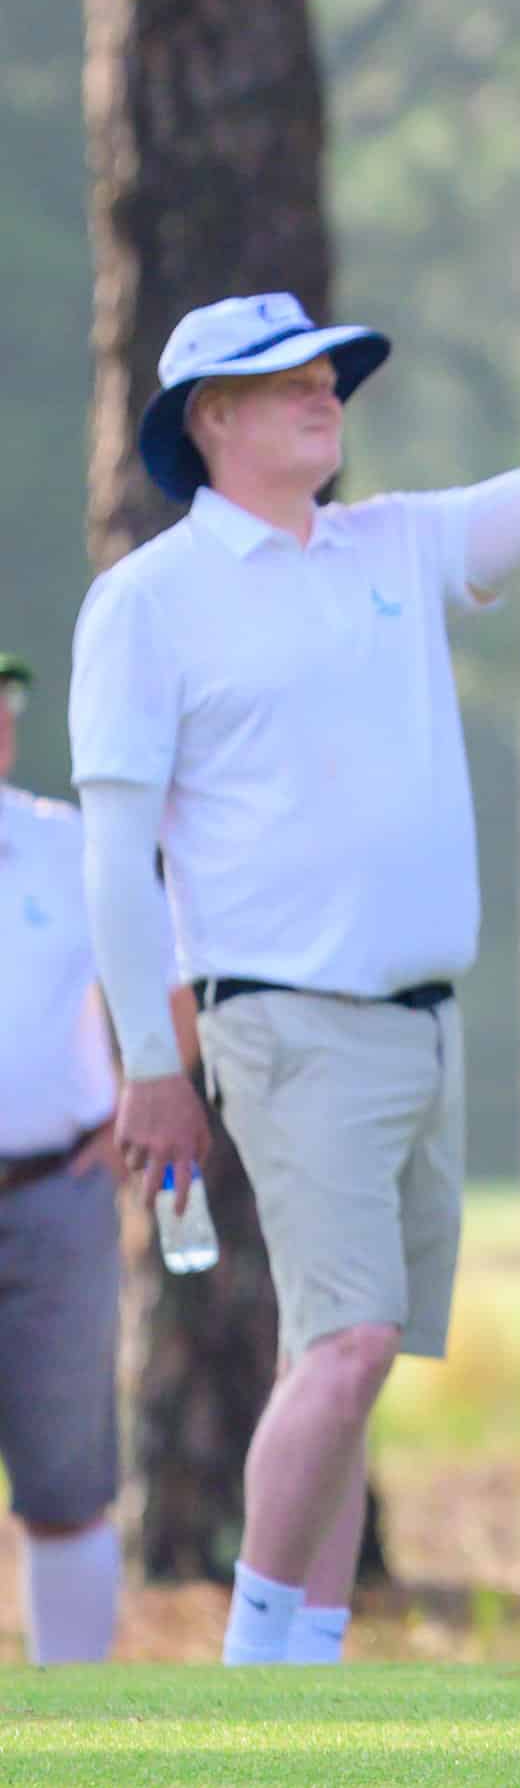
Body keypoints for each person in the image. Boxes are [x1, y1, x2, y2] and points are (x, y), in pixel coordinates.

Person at [71, 259, 520, 1666]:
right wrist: (152, 1065)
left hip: (419, 1024)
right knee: (352, 1346)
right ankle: (259, 1665)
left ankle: (307, 1661)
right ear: (208, 418)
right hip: (283, 1019)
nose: (329, 392)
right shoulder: (151, 602)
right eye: (292, 378)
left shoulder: (393, 546)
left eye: (333, 373)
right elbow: (114, 859)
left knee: (339, 1355)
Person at [0, 648, 161, 1663]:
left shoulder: (72, 848)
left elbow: (175, 986)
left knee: (66, 1484)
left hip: (54, 1192)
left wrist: (130, 1116)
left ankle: (72, 1730)